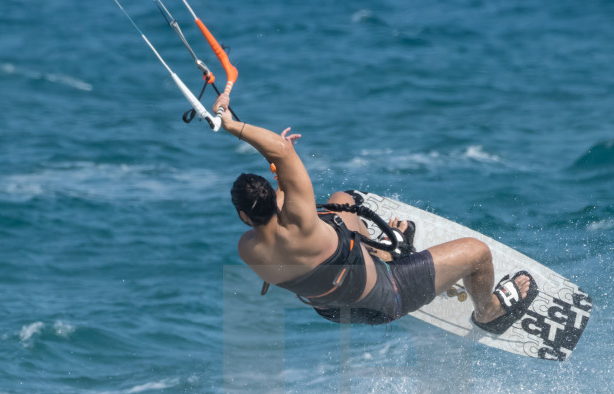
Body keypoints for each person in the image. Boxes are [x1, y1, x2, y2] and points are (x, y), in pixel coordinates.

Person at [213, 92, 536, 331]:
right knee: (477, 253)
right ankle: (488, 313)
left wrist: (283, 177)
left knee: (344, 199)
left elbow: (281, 205)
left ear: (244, 217)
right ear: (274, 199)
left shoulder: (248, 248)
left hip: (335, 310)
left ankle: (381, 255)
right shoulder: (302, 224)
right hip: (389, 299)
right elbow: (282, 154)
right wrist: (231, 124)